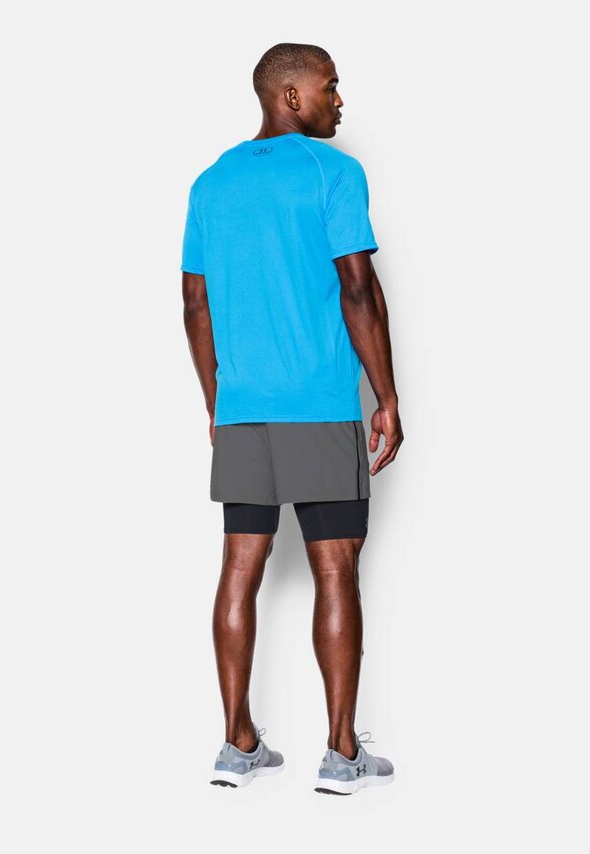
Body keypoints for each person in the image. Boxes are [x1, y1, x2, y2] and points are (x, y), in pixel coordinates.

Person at [180, 42, 404, 795]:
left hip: (242, 410)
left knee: (238, 569)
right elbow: (358, 287)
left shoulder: (211, 181)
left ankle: (236, 744)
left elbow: (195, 302)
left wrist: (218, 402)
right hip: (317, 405)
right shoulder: (331, 171)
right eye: (329, 86)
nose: (339, 101)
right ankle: (341, 755)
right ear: (290, 97)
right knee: (334, 568)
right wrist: (386, 396)